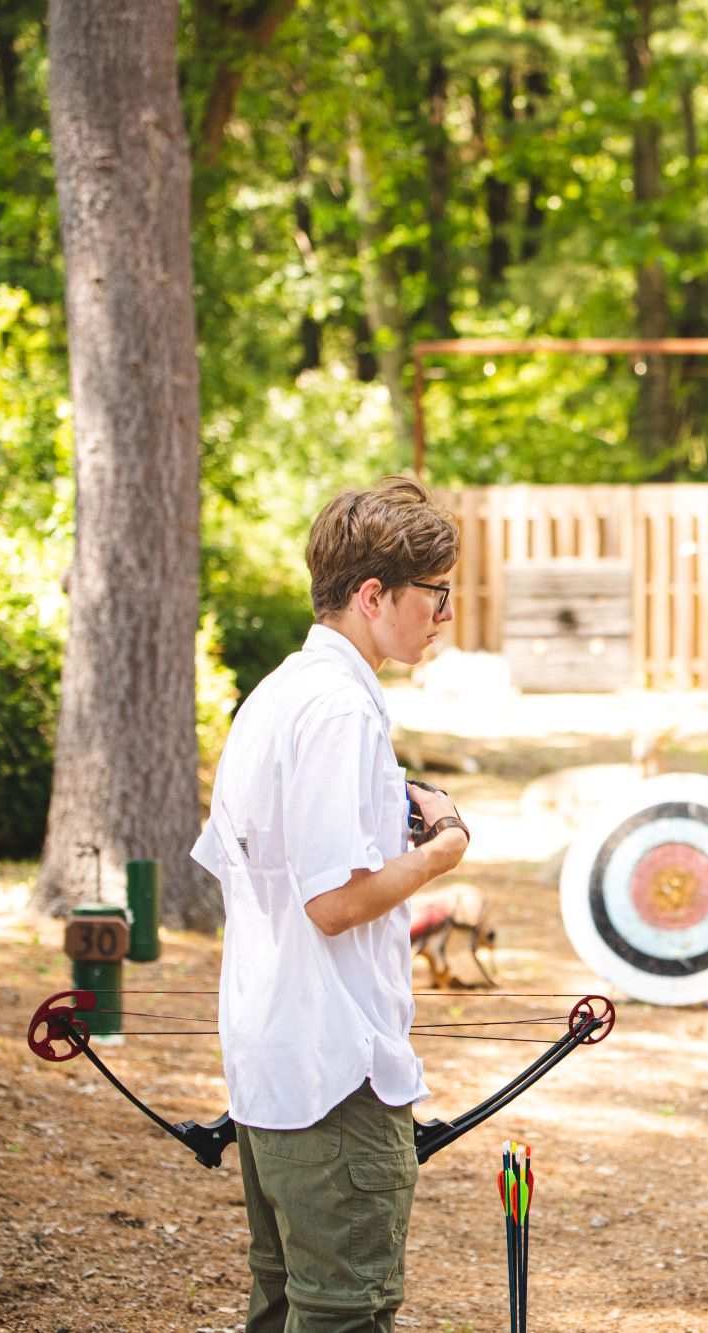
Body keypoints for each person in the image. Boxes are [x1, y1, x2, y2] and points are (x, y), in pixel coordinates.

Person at [191, 476, 471, 1333]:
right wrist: (439, 853)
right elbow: (332, 903)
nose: (446, 614)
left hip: (275, 1069)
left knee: (286, 1307)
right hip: (333, 1078)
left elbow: (251, 861)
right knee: (345, 1314)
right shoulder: (342, 707)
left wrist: (394, 795)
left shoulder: (276, 693)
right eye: (435, 593)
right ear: (373, 593)